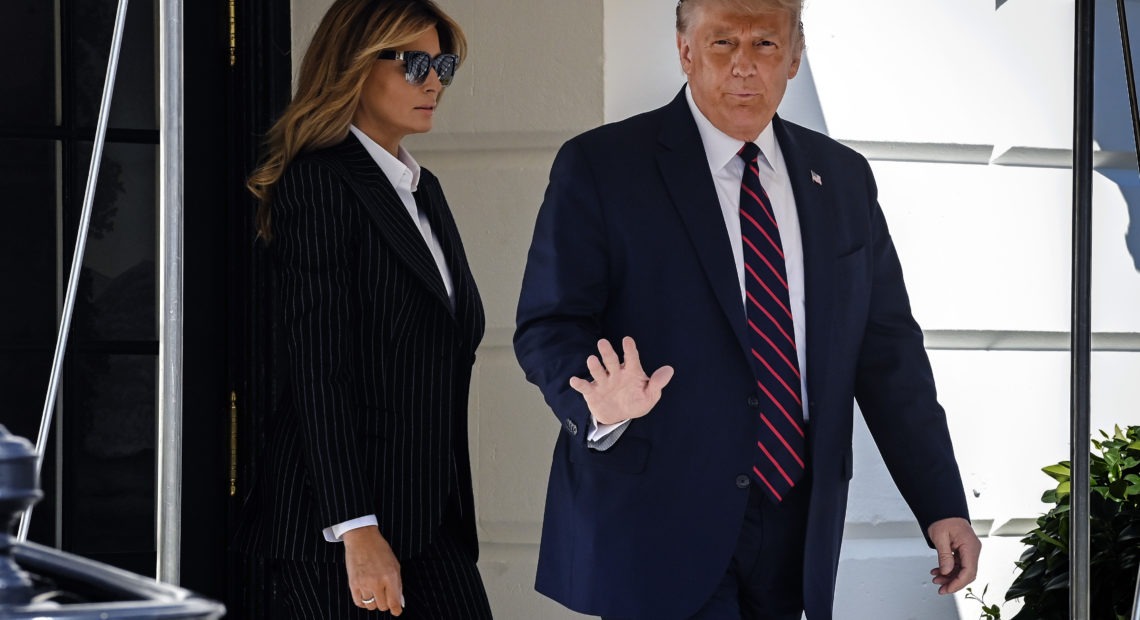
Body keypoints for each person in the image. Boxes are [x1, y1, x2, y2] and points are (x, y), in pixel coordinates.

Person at [513, 0, 981, 618]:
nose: (743, 66)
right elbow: (548, 324)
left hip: (796, 522)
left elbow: (888, 351)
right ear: (685, 51)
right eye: (722, 44)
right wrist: (594, 402)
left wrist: (941, 500)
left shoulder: (842, 178)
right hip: (659, 519)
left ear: (795, 56)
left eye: (764, 45)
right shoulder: (603, 166)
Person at [246, 0, 492, 617]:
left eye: (443, 63)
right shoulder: (320, 182)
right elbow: (319, 369)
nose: (434, 80)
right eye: (414, 63)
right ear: (354, 65)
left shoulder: (421, 190)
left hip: (431, 524)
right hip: (341, 535)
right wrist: (357, 529)